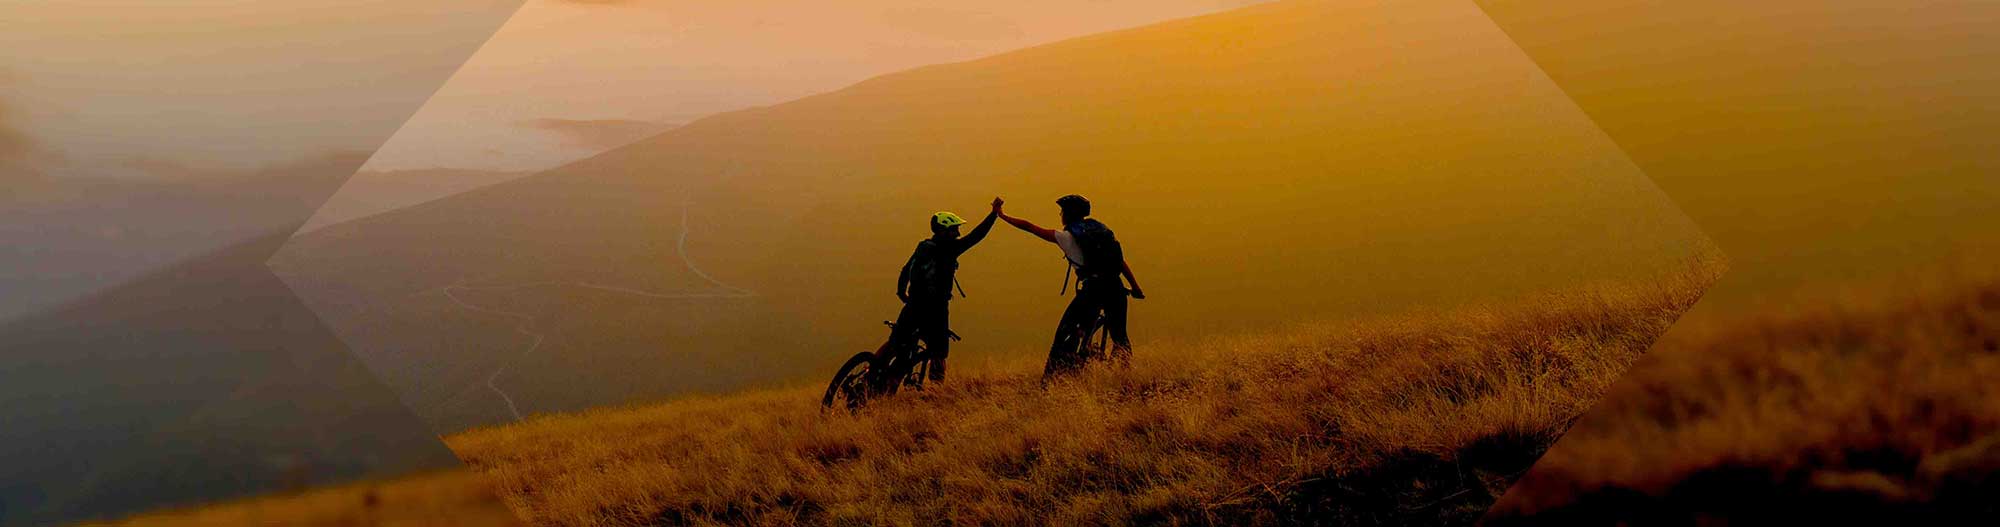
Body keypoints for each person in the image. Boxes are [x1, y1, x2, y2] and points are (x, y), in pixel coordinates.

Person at [996, 194, 1145, 380]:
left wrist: (1002, 215)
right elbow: (1119, 261)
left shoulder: (1066, 237)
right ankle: (1127, 379)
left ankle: (1052, 379)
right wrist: (1136, 287)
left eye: (1062, 212)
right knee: (1120, 337)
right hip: (1116, 286)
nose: (1060, 215)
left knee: (1065, 331)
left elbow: (1029, 227)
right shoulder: (1101, 231)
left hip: (1093, 289)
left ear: (1067, 215)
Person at [891, 197, 1002, 382]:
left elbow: (906, 269)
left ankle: (873, 371)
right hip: (936, 309)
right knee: (939, 352)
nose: (958, 233)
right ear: (944, 230)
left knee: (895, 343)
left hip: (913, 303)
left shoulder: (923, 246)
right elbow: (977, 236)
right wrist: (993, 215)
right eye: (954, 229)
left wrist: (902, 293)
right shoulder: (950, 248)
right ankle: (937, 392)